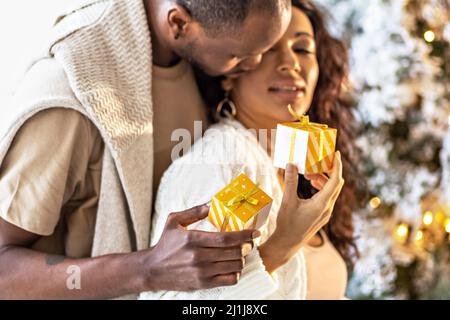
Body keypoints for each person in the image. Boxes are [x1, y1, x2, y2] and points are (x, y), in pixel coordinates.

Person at [0, 0, 292, 299]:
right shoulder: (68, 100)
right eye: (239, 55)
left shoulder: (194, 60)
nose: (254, 64)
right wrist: (147, 268)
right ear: (179, 23)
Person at [140, 0, 365, 300]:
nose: (291, 63)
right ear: (234, 68)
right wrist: (281, 246)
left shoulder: (302, 172)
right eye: (270, 48)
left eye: (302, 49)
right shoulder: (221, 162)